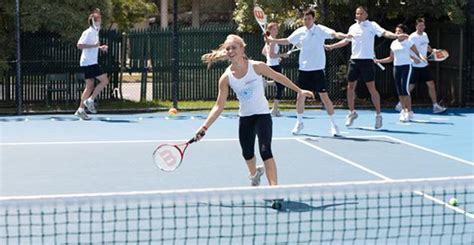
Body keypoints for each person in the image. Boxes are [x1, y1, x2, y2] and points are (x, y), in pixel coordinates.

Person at [195, 34, 314, 186]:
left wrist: (299, 90)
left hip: (262, 115)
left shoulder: (256, 66)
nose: (231, 51)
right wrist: (204, 127)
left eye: (234, 47)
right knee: (247, 153)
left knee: (265, 151)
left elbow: (279, 77)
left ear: (242, 48)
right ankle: (254, 174)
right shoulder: (226, 77)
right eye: (228, 48)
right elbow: (219, 106)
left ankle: (274, 189)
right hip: (245, 118)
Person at [266, 9, 349, 136]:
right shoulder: (300, 31)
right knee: (300, 96)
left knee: (324, 98)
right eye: (305, 19)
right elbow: (287, 41)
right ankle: (299, 123)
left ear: (313, 19)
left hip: (318, 70)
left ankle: (334, 125)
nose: (306, 21)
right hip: (304, 70)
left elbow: (334, 34)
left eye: (309, 18)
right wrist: (272, 41)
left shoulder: (320, 29)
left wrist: (344, 36)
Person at [325, 6, 409, 129]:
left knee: (371, 88)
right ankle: (352, 112)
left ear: (366, 15)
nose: (358, 15)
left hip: (367, 61)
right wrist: (332, 47)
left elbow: (385, 33)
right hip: (354, 61)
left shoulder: (372, 25)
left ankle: (378, 115)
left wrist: (396, 36)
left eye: (360, 13)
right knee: (350, 87)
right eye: (357, 13)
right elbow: (346, 41)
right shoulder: (352, 27)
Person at [394, 17, 447, 114]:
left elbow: (426, 46)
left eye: (423, 25)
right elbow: (406, 49)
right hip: (414, 66)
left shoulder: (425, 35)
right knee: (409, 87)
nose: (422, 27)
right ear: (416, 26)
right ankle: (400, 104)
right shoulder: (412, 37)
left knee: (431, 84)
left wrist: (433, 50)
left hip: (424, 65)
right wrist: (414, 59)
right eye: (420, 25)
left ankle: (435, 106)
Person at [375, 24, 426, 122]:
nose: (397, 33)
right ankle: (403, 110)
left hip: (406, 67)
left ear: (403, 32)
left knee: (404, 89)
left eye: (399, 31)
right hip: (396, 68)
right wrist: (378, 61)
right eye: (396, 31)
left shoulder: (408, 42)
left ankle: (409, 111)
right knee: (399, 90)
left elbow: (417, 52)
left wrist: (421, 58)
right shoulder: (393, 43)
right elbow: (390, 58)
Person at [74, 9, 109, 120]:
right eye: (99, 19)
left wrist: (100, 47)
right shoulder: (88, 32)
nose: (101, 20)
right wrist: (94, 46)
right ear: (94, 21)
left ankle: (80, 110)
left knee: (89, 86)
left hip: (89, 61)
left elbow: (92, 45)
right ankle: (90, 100)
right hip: (89, 62)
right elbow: (79, 45)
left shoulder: (95, 32)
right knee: (104, 81)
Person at [261, 22, 289, 117]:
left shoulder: (268, 41)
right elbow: (271, 55)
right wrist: (282, 55)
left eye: (276, 29)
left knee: (280, 84)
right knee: (281, 86)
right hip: (274, 66)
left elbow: (264, 52)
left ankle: (266, 83)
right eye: (274, 29)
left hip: (271, 64)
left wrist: (277, 58)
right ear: (269, 31)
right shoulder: (272, 41)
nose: (276, 30)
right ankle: (274, 110)